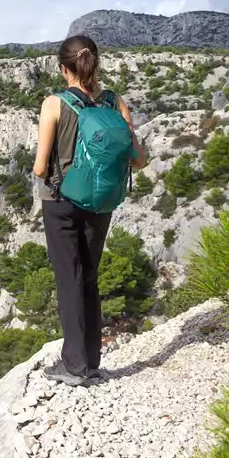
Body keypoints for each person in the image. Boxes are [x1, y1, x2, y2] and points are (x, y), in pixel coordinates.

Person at [31, 35, 147, 386]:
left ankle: (74, 366)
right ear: (95, 63)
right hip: (101, 203)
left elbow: (39, 168)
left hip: (62, 203)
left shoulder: (54, 104)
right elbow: (138, 160)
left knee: (70, 280)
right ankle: (91, 361)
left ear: (62, 68)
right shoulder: (116, 102)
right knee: (91, 278)